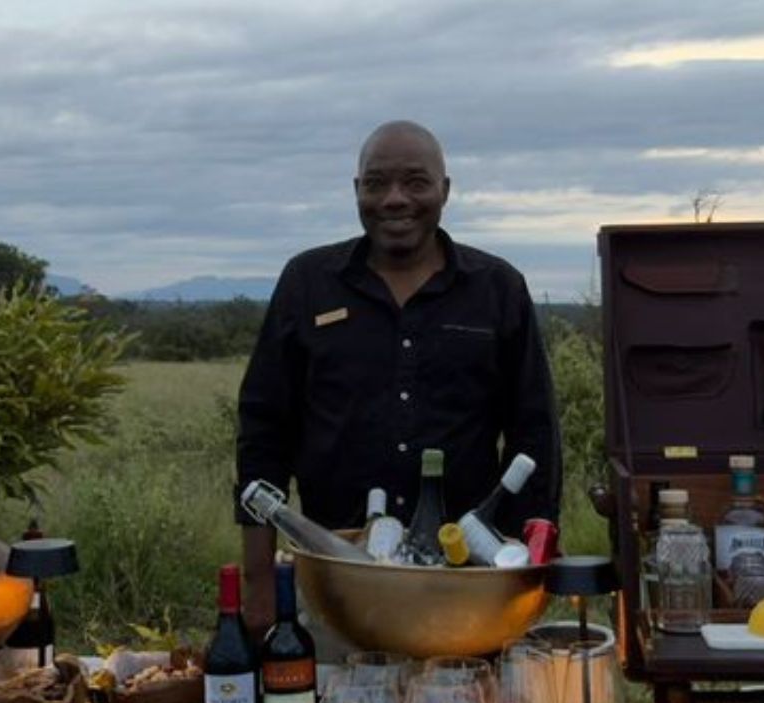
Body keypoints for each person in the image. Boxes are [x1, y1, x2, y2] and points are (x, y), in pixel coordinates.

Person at [235, 120, 562, 631]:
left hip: (467, 580)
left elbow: (535, 435)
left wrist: (527, 576)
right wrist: (257, 583)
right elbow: (262, 433)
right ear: (356, 190)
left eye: (415, 182)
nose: (394, 199)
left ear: (445, 191)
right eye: (376, 183)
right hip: (339, 578)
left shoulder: (497, 289)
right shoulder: (308, 284)